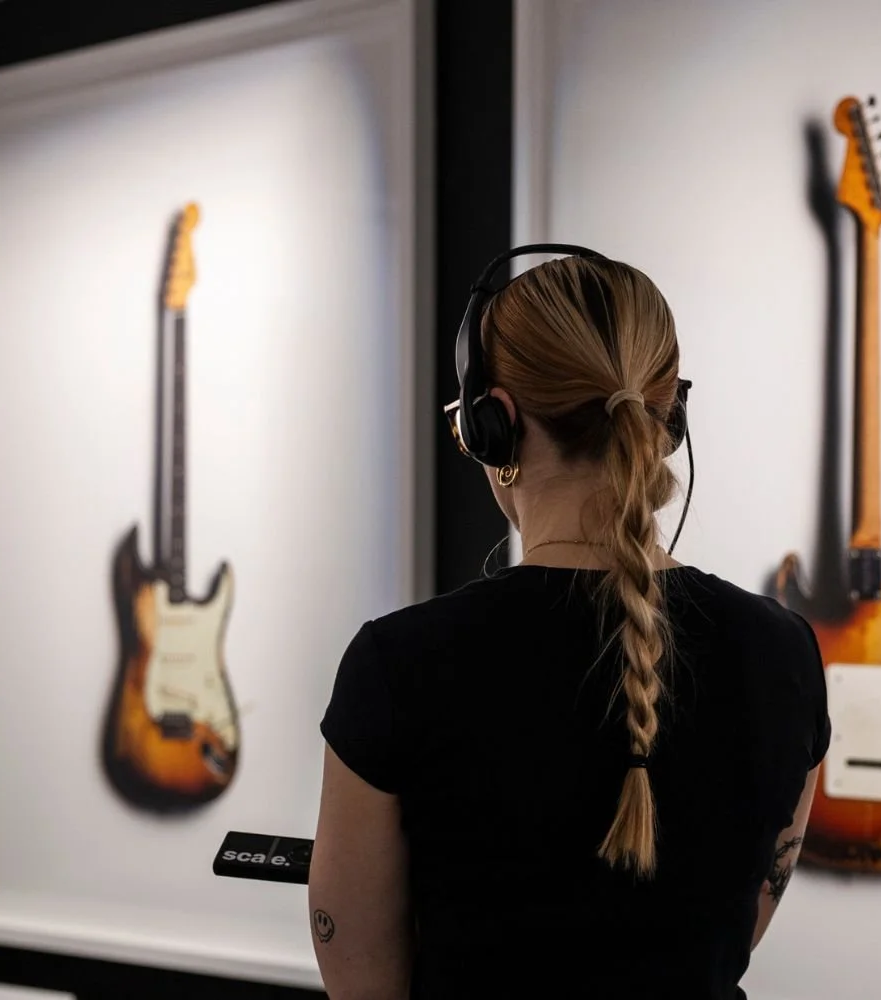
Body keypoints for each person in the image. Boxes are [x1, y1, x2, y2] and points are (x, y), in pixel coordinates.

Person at [308, 250, 830, 999]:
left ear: (496, 426)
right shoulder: (786, 651)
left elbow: (363, 982)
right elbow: (734, 932)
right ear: (669, 418)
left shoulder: (398, 665)